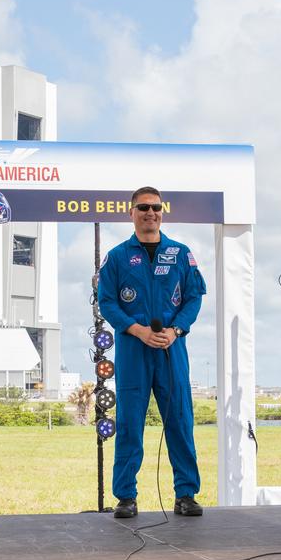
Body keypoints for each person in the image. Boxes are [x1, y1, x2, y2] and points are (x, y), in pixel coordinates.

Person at [97, 187, 206, 518]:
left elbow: (194, 297)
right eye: (143, 207)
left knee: (180, 421)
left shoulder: (181, 252)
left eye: (156, 207)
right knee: (129, 423)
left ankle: (185, 494)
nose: (150, 213)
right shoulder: (117, 257)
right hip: (133, 350)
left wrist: (175, 331)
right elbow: (107, 302)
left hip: (171, 351)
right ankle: (126, 496)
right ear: (131, 212)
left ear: (162, 212)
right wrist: (138, 330)